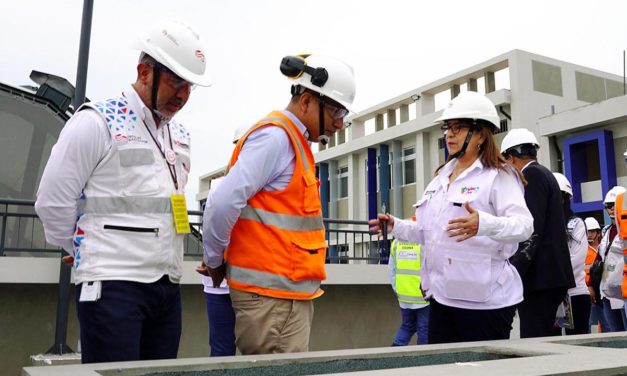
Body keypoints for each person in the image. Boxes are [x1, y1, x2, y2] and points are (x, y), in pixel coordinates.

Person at [34, 20, 212, 363]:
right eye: (176, 81)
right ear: (144, 72)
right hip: (113, 285)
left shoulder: (179, 135)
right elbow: (52, 201)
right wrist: (84, 247)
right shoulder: (97, 121)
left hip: (166, 285)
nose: (183, 95)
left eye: (190, 86)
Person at [199, 54, 356, 354]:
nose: (340, 121)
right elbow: (220, 204)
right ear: (307, 101)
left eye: (343, 111)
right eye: (336, 109)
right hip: (273, 302)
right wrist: (215, 261)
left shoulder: (294, 142)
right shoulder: (276, 138)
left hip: (281, 300)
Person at [369, 91, 533, 344]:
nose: (449, 134)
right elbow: (429, 233)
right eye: (447, 128)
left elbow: (524, 226)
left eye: (458, 128)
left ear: (480, 134)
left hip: (485, 303)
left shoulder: (498, 176)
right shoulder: (440, 179)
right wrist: (397, 227)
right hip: (442, 297)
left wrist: (484, 223)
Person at [501, 128, 575, 338]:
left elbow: (531, 230)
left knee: (534, 340)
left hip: (540, 278)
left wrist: (514, 272)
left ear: (512, 157)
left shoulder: (530, 175)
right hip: (550, 276)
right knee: (545, 338)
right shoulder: (546, 174)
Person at [552, 172, 590, 335]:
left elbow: (576, 260)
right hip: (550, 296)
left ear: (564, 198)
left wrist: (552, 277)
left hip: (574, 294)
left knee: (578, 344)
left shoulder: (576, 224)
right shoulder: (542, 224)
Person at [388, 236, 429, 346]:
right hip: (423, 296)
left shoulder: (396, 243)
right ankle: (424, 358)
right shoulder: (424, 242)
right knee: (424, 328)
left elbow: (391, 270)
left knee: (407, 326)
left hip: (404, 295)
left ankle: (394, 354)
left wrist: (397, 289)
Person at [598, 186, 627, 332]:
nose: (610, 209)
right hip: (608, 291)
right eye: (607, 206)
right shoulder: (606, 231)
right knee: (614, 334)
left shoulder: (624, 232)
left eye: (612, 205)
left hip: (623, 290)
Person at [585, 216, 609, 332]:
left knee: (607, 324)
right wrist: (588, 287)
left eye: (592, 231)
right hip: (588, 291)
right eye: (587, 231)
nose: (589, 234)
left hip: (602, 290)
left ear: (598, 233)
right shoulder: (583, 249)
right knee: (589, 324)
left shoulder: (604, 247)